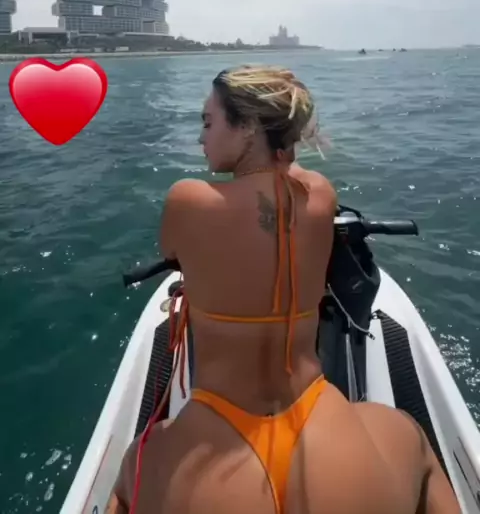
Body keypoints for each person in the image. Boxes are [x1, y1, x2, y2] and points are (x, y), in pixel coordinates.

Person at [107, 65, 461, 514]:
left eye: (208, 122)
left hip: (216, 427)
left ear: (248, 127)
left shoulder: (189, 200)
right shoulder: (320, 195)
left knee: (128, 477)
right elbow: (294, 177)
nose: (200, 137)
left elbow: (172, 249)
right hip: (316, 416)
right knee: (415, 442)